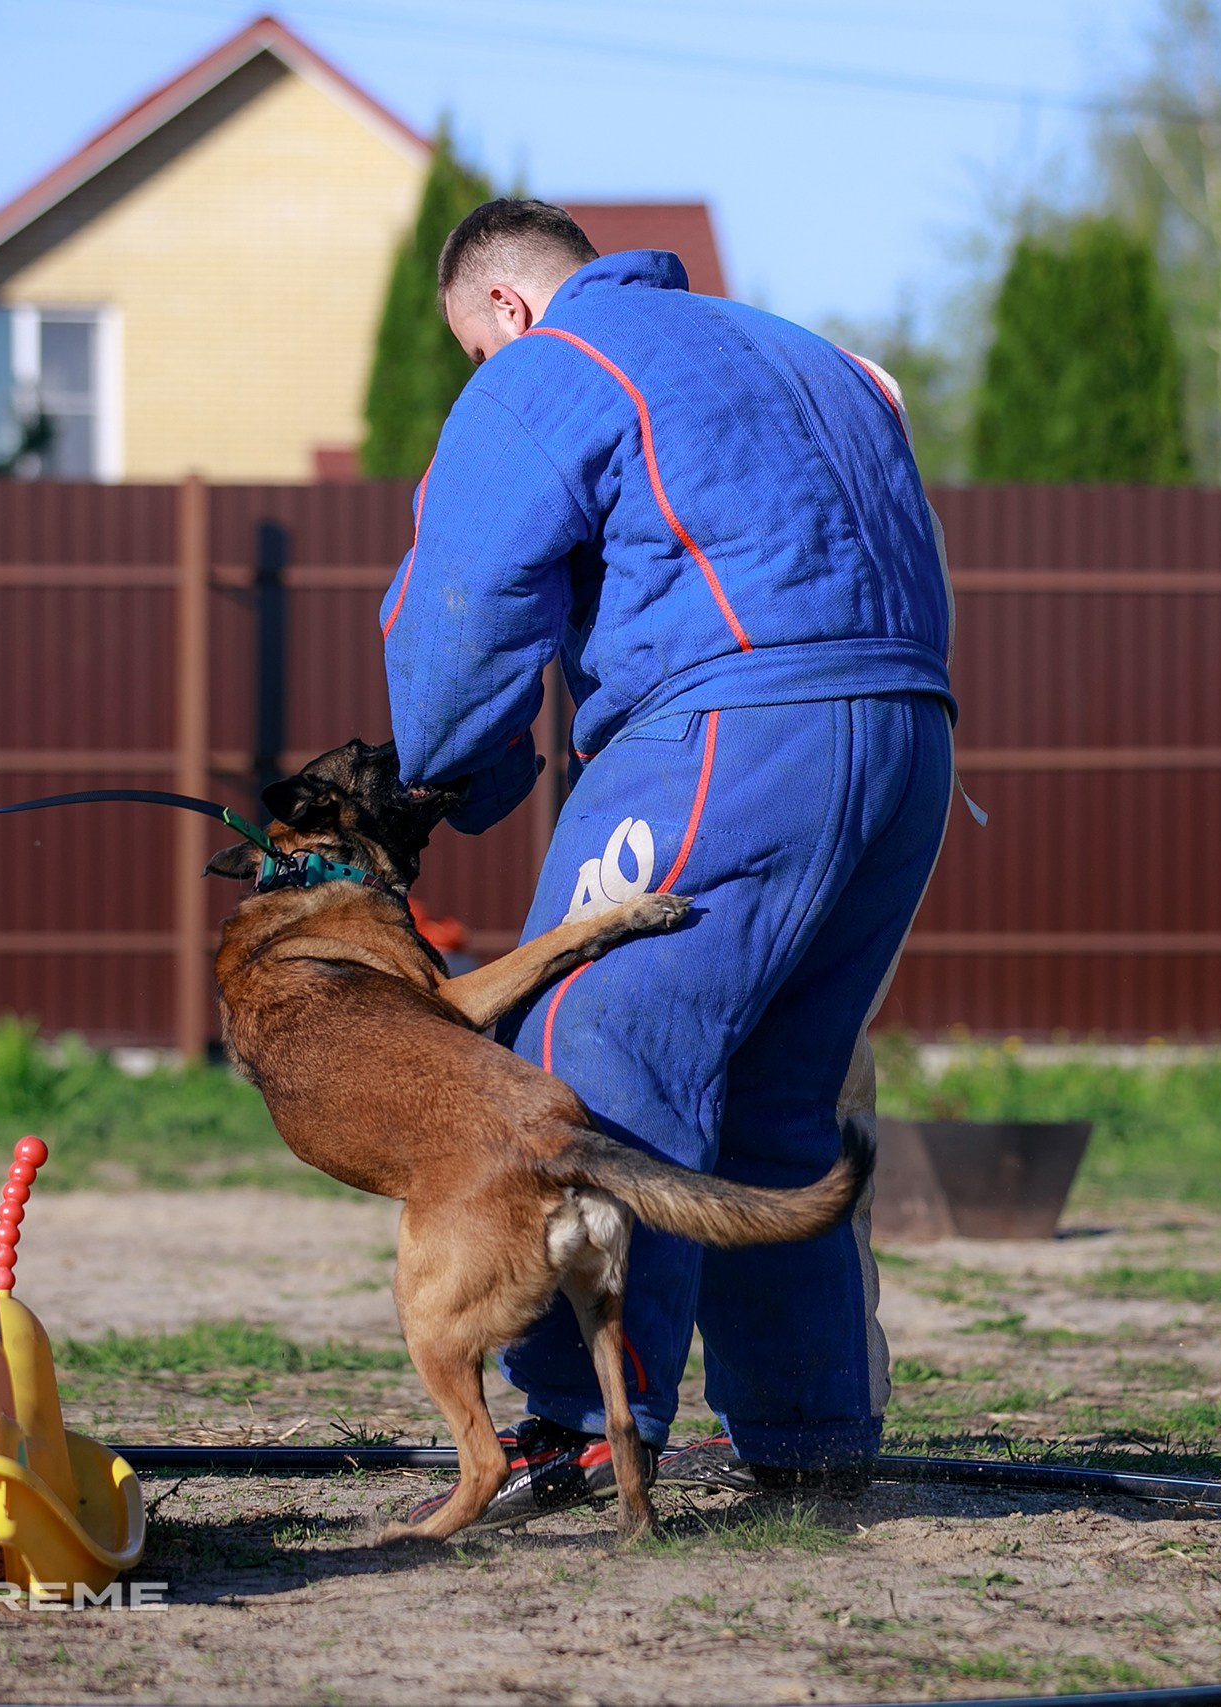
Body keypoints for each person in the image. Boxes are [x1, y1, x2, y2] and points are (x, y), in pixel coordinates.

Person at [376, 200, 955, 1526]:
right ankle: (810, 1436)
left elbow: (461, 601)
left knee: (581, 1057)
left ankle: (578, 1425)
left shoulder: (552, 365)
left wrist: (450, 775)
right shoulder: (791, 345)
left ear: (508, 313)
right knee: (773, 1089)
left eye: (476, 352)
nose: (487, 378)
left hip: (733, 726)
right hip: (909, 741)